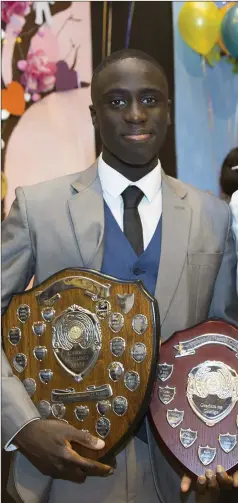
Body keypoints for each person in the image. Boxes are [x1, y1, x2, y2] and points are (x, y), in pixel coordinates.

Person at [2, 49, 238, 503]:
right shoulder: (38, 207)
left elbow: (223, 341)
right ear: (94, 114)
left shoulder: (212, 215)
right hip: (65, 471)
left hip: (180, 479)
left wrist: (222, 448)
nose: (135, 114)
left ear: (168, 110)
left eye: (150, 99)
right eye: (117, 101)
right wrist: (23, 425)